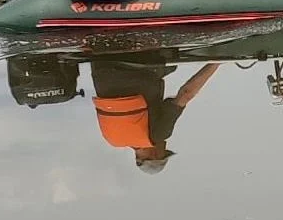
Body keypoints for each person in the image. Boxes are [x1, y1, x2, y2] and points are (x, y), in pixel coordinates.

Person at [90, 61, 220, 174]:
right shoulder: (113, 139)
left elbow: (186, 94)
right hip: (101, 69)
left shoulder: (158, 135)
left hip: (140, 68)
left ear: (155, 155)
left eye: (165, 152)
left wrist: (216, 63)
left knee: (172, 62)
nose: (166, 145)